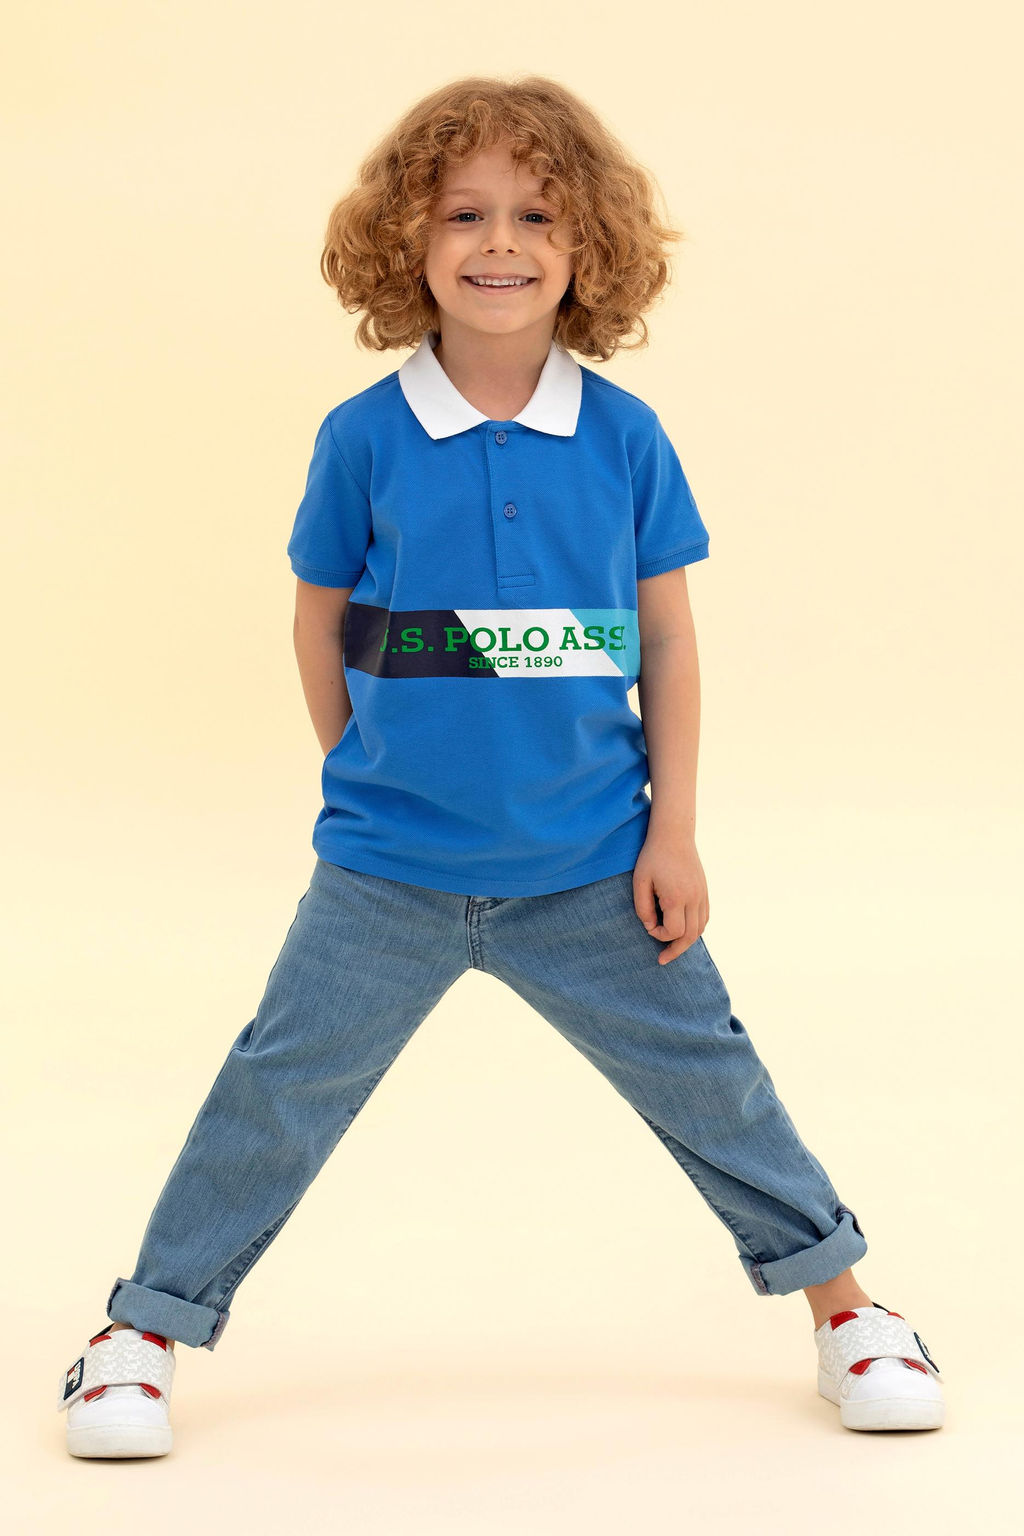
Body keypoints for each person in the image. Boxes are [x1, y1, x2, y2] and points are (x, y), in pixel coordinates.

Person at [58, 74, 944, 1457]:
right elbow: (317, 620)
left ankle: (849, 1311)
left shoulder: (626, 437)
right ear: (406, 240)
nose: (500, 243)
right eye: (463, 213)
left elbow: (667, 638)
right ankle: (143, 1330)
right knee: (275, 1093)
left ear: (589, 244)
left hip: (593, 867)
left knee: (713, 1087)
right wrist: (365, 770)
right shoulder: (362, 437)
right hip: (386, 876)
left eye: (537, 214)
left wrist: (672, 830)